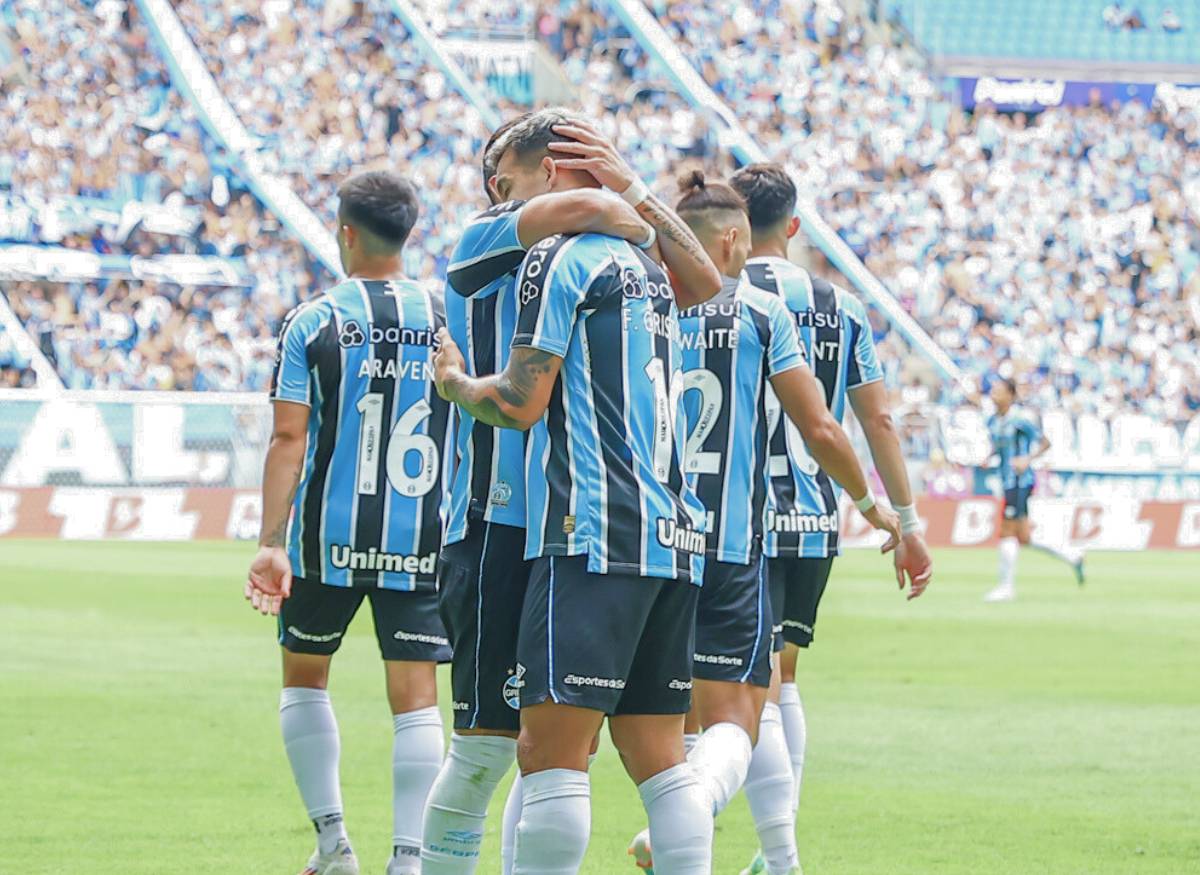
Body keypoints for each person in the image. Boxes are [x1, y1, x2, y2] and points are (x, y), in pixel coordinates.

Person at [421, 107, 721, 875]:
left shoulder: (599, 261)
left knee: (556, 746)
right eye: (564, 162)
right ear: (516, 180)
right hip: (500, 520)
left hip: (579, 523)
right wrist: (627, 193)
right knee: (495, 748)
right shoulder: (489, 233)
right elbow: (593, 209)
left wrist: (630, 190)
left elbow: (707, 281)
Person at [626, 171, 905, 874]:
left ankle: (702, 837)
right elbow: (837, 423)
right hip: (754, 531)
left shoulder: (639, 305)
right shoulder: (783, 310)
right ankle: (749, 845)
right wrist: (880, 507)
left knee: (674, 709)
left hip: (652, 538)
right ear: (737, 236)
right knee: (756, 702)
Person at [243, 170, 454, 875]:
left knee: (305, 679)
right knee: (416, 699)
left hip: (324, 540)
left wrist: (271, 541)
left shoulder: (314, 320)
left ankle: (334, 843)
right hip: (420, 537)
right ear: (409, 230)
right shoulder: (445, 314)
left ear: (345, 232)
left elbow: (288, 440)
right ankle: (410, 857)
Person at [729, 162, 934, 875]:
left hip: (728, 518)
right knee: (781, 681)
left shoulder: (709, 290)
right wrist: (903, 517)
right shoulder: (840, 307)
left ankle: (752, 847)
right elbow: (876, 415)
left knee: (726, 689)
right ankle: (768, 850)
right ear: (793, 226)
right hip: (812, 516)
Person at [982, 377, 1084, 602]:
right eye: (993, 391)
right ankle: (1071, 555)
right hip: (1005, 480)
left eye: (999, 391)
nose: (993, 395)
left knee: (1006, 532)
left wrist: (1027, 459)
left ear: (1010, 395)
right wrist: (988, 457)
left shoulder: (1020, 420)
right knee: (1024, 537)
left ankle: (1006, 587)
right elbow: (998, 448)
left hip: (1020, 481)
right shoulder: (992, 421)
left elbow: (1045, 442)